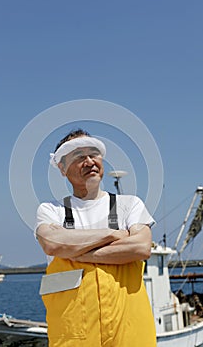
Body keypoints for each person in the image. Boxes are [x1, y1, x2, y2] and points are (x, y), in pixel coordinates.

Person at [36, 129, 156, 347]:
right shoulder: (51, 210)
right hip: (74, 336)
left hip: (130, 334)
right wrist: (113, 234)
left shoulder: (130, 204)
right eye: (79, 157)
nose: (89, 161)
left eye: (94, 154)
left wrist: (74, 250)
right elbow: (52, 243)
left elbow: (140, 247)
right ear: (62, 168)